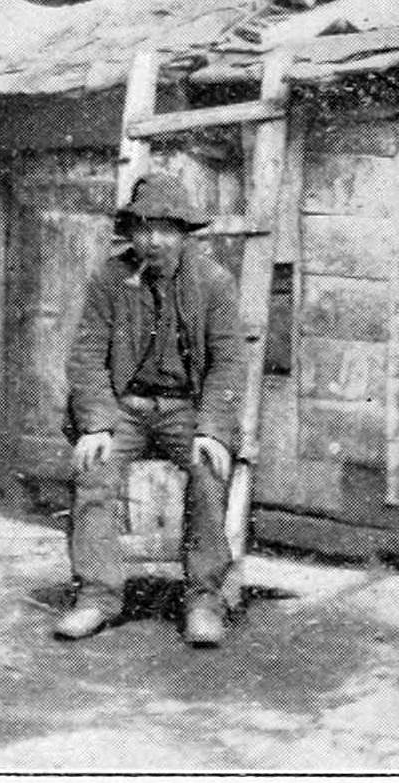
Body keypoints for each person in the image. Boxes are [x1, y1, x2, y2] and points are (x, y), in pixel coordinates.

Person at [55, 174, 243, 647]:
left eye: (165, 229)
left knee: (208, 470)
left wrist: (212, 429)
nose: (153, 240)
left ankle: (204, 599)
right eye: (143, 228)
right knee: (93, 469)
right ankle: (97, 596)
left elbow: (228, 361)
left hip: (185, 409)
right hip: (126, 408)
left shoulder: (214, 282)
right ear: (131, 232)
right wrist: (97, 424)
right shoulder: (109, 279)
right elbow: (87, 356)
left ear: (183, 233)